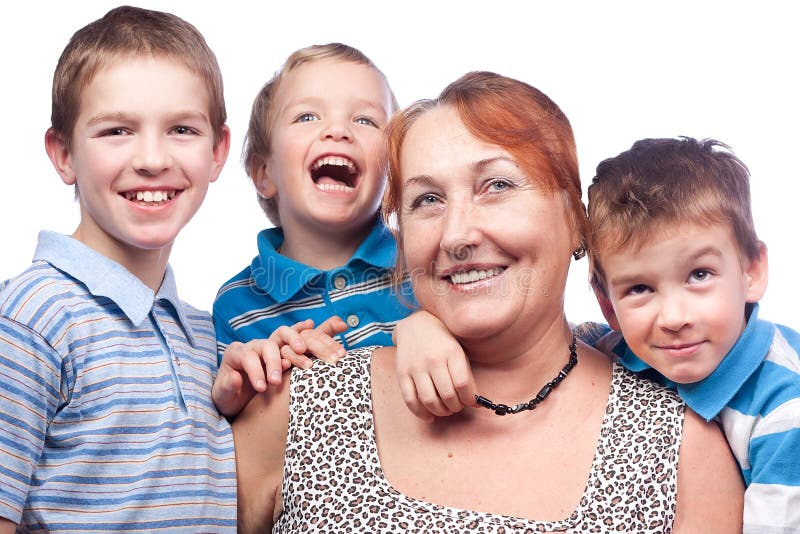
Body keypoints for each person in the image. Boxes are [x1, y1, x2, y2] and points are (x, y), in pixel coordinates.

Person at [231, 72, 744, 532]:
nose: (456, 236)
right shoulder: (300, 405)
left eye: (496, 185)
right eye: (427, 200)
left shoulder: (680, 450)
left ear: (574, 220)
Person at [0, 7, 236, 531]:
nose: (152, 159)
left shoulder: (203, 331)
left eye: (181, 128)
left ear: (218, 151)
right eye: (116, 131)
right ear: (63, 154)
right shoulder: (31, 318)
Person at [586, 137, 800, 532]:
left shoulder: (786, 413)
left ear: (751, 271)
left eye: (699, 275)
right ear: (607, 305)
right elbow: (527, 341)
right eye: (639, 289)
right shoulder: (617, 349)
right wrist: (431, 327)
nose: (673, 317)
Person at [212, 44, 411, 400]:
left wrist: (430, 330)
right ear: (264, 173)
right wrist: (250, 383)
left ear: (392, 173)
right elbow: (230, 430)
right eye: (307, 117)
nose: (338, 130)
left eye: (364, 120)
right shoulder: (236, 304)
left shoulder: (425, 267)